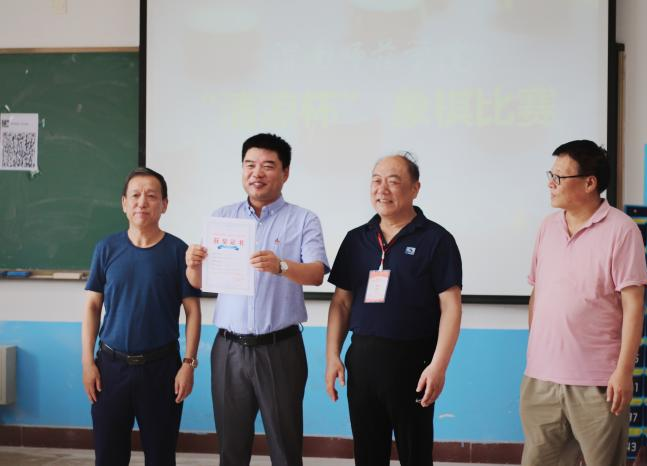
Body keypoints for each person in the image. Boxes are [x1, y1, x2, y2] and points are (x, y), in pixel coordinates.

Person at [185, 133, 329, 466]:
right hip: (228, 348)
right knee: (231, 448)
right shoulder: (222, 218)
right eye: (250, 165)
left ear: (285, 172)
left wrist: (281, 266)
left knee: (285, 447)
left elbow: (316, 273)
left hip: (280, 348)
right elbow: (200, 281)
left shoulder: (303, 219)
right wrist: (192, 264)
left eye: (267, 166)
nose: (257, 173)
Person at [325, 153, 462, 466]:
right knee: (367, 454)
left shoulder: (436, 240)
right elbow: (341, 302)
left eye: (393, 181)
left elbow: (451, 307)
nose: (382, 189)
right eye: (376, 180)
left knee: (415, 454)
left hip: (413, 363)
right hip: (362, 361)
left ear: (415, 188)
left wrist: (438, 366)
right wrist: (332, 355)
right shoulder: (356, 239)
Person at [520, 140, 647, 466]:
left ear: (590, 183)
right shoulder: (548, 227)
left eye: (559, 177)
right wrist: (538, 349)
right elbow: (538, 292)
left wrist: (623, 371)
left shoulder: (622, 230)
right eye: (551, 175)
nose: (551, 184)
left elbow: (634, 306)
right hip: (541, 379)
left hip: (598, 383)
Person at [81, 167, 201, 466]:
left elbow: (193, 311)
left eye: (151, 196)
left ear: (164, 204)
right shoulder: (106, 248)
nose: (142, 202)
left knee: (161, 457)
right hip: (111, 368)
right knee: (108, 457)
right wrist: (87, 362)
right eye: (135, 195)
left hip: (161, 369)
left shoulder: (178, 251)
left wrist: (188, 364)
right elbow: (92, 306)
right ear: (124, 203)